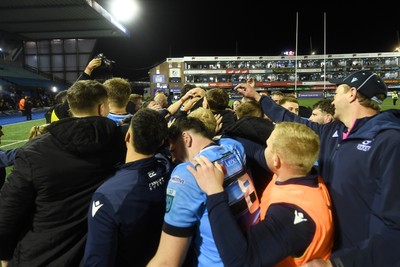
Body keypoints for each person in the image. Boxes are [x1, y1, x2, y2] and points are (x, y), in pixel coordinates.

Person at [233, 70, 400, 267]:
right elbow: (292, 121)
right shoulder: (335, 131)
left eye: (337, 91)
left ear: (352, 93)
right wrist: (259, 98)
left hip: (359, 258)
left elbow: (394, 226)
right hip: (330, 247)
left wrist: (339, 263)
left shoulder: (389, 142)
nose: (333, 97)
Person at [0, 79, 126, 266]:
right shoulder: (123, 142)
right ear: (102, 108)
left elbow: (8, 212)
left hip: (42, 253)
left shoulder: (34, 152)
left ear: (71, 107)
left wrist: (5, 255)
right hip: (101, 252)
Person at [190, 121, 334, 267]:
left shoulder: (291, 214)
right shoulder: (301, 172)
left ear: (276, 160)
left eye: (268, 146)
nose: (264, 148)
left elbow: (239, 261)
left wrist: (214, 192)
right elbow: (256, 152)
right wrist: (221, 140)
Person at [148, 116, 260, 267]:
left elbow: (168, 261)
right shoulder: (234, 146)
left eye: (173, 150)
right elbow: (222, 141)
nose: (173, 158)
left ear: (186, 138)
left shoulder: (187, 173)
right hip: (253, 250)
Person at [83, 109, 172, 266]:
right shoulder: (168, 168)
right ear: (160, 142)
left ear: (128, 136)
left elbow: (98, 260)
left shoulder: (108, 194)